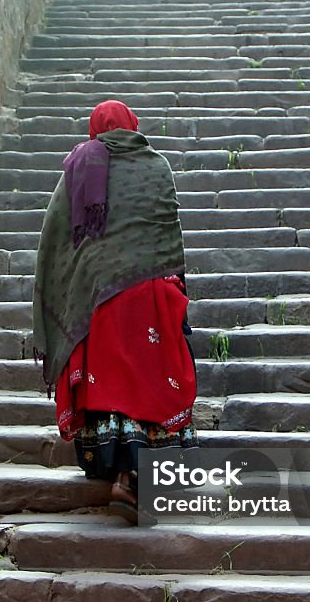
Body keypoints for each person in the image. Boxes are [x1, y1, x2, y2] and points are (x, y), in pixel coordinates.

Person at [32, 99, 198, 523]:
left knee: (114, 380)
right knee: (144, 377)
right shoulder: (156, 165)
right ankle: (136, 472)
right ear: (133, 126)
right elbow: (166, 229)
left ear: (94, 130)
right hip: (153, 292)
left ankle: (122, 473)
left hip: (101, 295)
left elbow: (55, 239)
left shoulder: (81, 165)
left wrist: (71, 287)